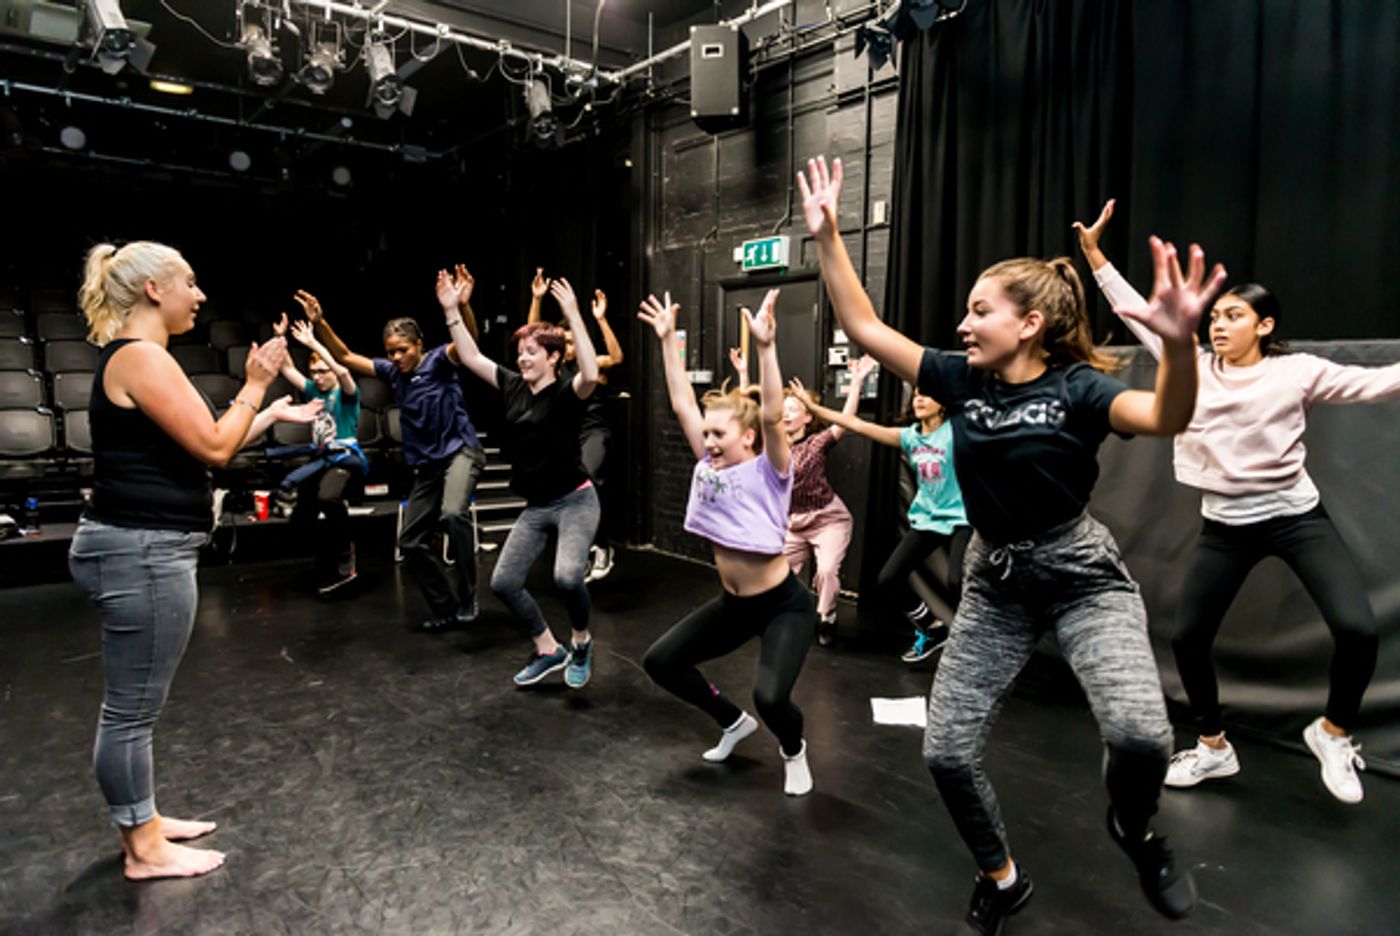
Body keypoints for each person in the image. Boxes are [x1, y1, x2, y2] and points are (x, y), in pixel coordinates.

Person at [801, 155, 1227, 932]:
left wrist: (1178, 346)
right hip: (995, 582)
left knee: (1140, 735)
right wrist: (829, 236)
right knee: (947, 752)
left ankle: (1134, 830)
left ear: (1029, 323)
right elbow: (864, 326)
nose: (962, 326)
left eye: (978, 311)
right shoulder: (965, 380)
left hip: (1080, 576)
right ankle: (1001, 877)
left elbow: (1168, 417)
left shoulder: (1081, 390)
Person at [1076, 198, 1397, 804]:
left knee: (1356, 630)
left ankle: (1332, 733)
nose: (1217, 325)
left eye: (1233, 316)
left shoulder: (1297, 371)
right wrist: (1095, 256)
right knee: (1190, 638)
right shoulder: (1189, 363)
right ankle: (1214, 747)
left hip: (1296, 518)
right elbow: (1137, 311)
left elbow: (1380, 382)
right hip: (1226, 527)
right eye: (1215, 316)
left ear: (1264, 326)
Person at [70, 241, 320, 880]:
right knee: (130, 713)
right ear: (154, 288)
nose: (200, 295)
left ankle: (143, 821)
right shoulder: (141, 358)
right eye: (190, 282)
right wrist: (256, 383)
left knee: (134, 709)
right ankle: (143, 849)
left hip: (141, 549)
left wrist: (266, 412)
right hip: (141, 553)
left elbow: (205, 441)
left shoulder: (142, 359)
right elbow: (213, 446)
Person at [639, 288, 817, 797]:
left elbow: (772, 412)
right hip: (733, 605)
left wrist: (766, 348)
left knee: (773, 697)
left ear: (749, 439)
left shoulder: (772, 471)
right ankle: (731, 721)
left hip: (783, 606)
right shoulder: (709, 468)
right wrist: (668, 340)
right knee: (661, 661)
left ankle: (793, 749)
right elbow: (679, 401)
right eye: (707, 434)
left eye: (719, 435)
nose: (710, 442)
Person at [445, 269, 602, 688]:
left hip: (575, 499)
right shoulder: (513, 387)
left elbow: (589, 372)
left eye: (532, 352)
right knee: (503, 582)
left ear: (553, 357)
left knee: (568, 576)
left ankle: (581, 642)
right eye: (520, 352)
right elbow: (473, 357)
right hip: (537, 505)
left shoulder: (569, 393)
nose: (522, 358)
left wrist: (572, 314)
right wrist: (451, 312)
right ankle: (549, 649)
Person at [305, 271, 487, 631]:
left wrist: (462, 306)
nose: (397, 356)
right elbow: (344, 355)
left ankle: (467, 596)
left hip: (460, 452)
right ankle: (445, 606)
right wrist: (320, 322)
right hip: (430, 466)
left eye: (403, 350)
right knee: (411, 540)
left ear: (419, 344)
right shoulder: (391, 373)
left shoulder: (440, 360)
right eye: (391, 352)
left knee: (453, 514)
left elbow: (468, 341)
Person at [787, 372, 971, 662]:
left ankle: (975, 647)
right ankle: (932, 628)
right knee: (888, 579)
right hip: (928, 519)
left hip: (962, 517)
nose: (919, 398)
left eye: (928, 394)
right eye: (917, 393)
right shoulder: (910, 437)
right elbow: (858, 424)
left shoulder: (957, 430)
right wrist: (816, 409)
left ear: (944, 403)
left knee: (956, 581)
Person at [741, 350, 869, 646]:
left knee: (826, 571)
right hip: (793, 523)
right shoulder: (769, 446)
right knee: (775, 573)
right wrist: (745, 375)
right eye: (783, 408)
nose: (786, 413)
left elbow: (846, 421)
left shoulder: (817, 442)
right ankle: (777, 615)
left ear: (808, 416)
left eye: (794, 408)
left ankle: (827, 618)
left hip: (828, 519)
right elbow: (748, 408)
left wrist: (857, 381)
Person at [528, 267, 623, 582]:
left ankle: (603, 547)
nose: (567, 347)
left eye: (571, 341)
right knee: (566, 492)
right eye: (562, 342)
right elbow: (531, 334)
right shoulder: (552, 370)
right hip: (567, 438)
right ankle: (580, 552)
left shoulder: (589, 364)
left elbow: (617, 356)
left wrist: (600, 319)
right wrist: (536, 299)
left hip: (594, 432)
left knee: (590, 480)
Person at [268, 314, 366, 595]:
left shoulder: (347, 394)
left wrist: (315, 343)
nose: (319, 377)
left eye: (324, 371)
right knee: (302, 517)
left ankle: (347, 555)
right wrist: (279, 339)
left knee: (328, 497)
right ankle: (327, 558)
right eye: (315, 372)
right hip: (320, 459)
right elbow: (287, 369)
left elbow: (344, 371)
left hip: (344, 459)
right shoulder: (314, 390)